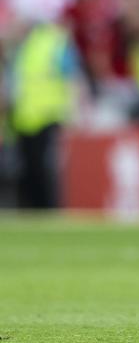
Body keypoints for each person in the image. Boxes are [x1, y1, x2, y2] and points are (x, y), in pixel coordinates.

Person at [6, 18, 81, 208]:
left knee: (46, 170)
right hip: (26, 118)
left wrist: (74, 111)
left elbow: (71, 77)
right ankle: (35, 210)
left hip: (48, 116)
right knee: (31, 170)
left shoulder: (52, 42)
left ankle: (49, 209)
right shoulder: (24, 47)